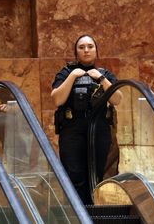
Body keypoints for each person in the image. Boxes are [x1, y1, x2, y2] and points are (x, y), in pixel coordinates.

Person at [51, 35, 123, 205]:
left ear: (96, 51)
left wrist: (101, 78)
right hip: (72, 130)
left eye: (90, 46)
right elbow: (57, 100)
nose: (86, 50)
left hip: (100, 130)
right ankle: (79, 215)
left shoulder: (104, 74)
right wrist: (72, 76)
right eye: (81, 47)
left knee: (99, 174)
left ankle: (97, 214)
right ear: (76, 52)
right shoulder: (66, 72)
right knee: (75, 175)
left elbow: (117, 99)